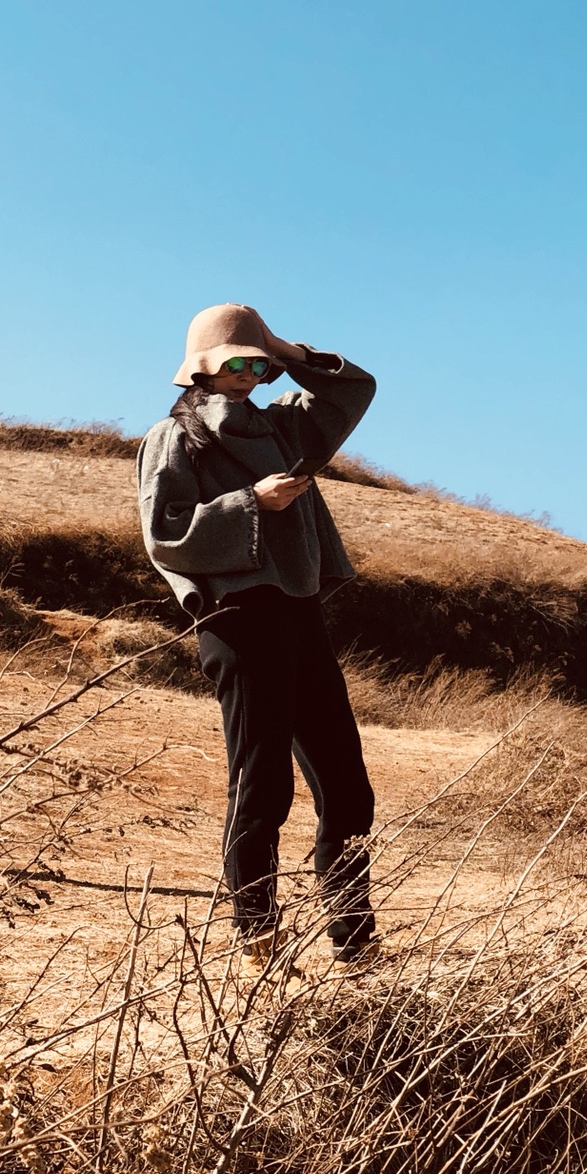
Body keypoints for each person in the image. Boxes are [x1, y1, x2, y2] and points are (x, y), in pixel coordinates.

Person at [135, 303, 380, 968]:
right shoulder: (173, 438)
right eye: (236, 361)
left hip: (299, 612)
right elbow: (165, 532)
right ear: (203, 369)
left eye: (257, 364)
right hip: (238, 620)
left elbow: (355, 389)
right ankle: (258, 938)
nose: (249, 372)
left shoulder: (283, 428)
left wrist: (284, 345)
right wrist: (252, 504)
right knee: (264, 785)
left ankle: (355, 941)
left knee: (348, 788)